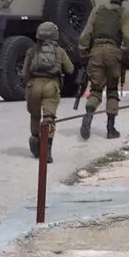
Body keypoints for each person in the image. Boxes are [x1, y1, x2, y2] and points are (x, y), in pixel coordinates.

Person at [78, 0, 129, 140]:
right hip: (113, 53)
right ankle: (110, 129)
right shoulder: (124, 13)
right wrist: (125, 53)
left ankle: (89, 113)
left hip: (96, 52)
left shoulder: (97, 10)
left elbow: (85, 35)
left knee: (95, 89)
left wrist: (84, 52)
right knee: (112, 90)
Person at [23, 22, 74, 163]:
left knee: (35, 116)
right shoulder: (59, 51)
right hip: (51, 86)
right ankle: (47, 150)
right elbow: (70, 69)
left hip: (33, 86)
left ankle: (35, 140)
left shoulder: (32, 51)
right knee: (49, 118)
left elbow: (24, 72)